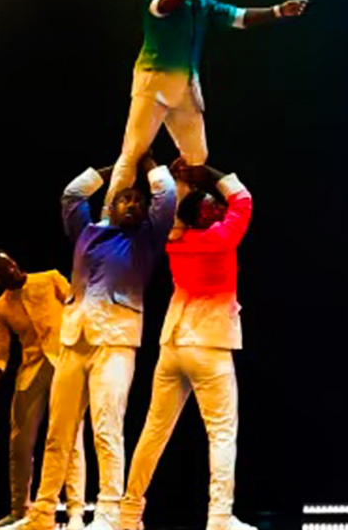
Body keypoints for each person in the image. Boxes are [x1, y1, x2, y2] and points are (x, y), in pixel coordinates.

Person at [6, 155, 177, 530]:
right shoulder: (86, 232)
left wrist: (144, 163)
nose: (134, 204)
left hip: (114, 342)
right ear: (112, 203)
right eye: (126, 198)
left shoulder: (145, 239)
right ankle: (43, 512)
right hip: (74, 338)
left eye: (139, 201)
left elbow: (166, 196)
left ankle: (108, 513)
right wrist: (117, 167)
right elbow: (71, 194)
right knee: (58, 432)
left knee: (106, 428)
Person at [108, 0, 307, 199]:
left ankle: (179, 222)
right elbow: (160, 7)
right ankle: (108, 218)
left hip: (186, 87)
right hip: (154, 80)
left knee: (196, 159)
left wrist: (278, 11)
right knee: (134, 151)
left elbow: (238, 16)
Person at [119, 161, 254, 530]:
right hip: (209, 344)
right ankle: (220, 518)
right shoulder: (220, 237)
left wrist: (173, 177)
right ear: (205, 213)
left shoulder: (176, 242)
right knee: (222, 432)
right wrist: (205, 170)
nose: (219, 207)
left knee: (153, 430)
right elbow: (243, 200)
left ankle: (129, 513)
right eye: (213, 204)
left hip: (173, 344)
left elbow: (177, 217)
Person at [0, 251, 88, 529]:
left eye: (12, 264)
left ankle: (76, 510)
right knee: (19, 442)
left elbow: (78, 307)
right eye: (3, 272)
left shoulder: (48, 278)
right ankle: (19, 511)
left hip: (65, 358)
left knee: (69, 437)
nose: (12, 271)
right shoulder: (0, 308)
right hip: (32, 368)